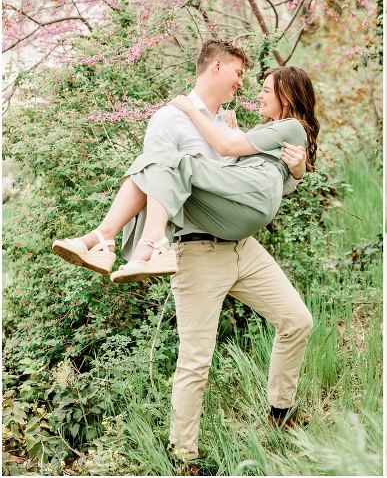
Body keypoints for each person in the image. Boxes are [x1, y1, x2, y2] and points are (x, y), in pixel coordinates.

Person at [54, 39, 315, 465]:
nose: (245, 85)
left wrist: (296, 169)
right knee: (196, 361)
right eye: (238, 74)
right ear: (217, 67)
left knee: (297, 320)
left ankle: (280, 412)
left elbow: (253, 174)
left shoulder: (230, 124)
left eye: (258, 84)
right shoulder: (170, 119)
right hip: (198, 253)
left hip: (243, 248)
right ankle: (184, 457)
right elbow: (154, 171)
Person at [53, 64, 318, 284]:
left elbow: (227, 150)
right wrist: (236, 132)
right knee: (156, 173)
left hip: (253, 198)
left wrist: (191, 108)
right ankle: (108, 241)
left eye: (266, 90)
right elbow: (247, 158)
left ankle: (134, 240)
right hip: (242, 210)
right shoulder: (273, 131)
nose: (258, 95)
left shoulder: (292, 126)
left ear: (286, 97)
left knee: (169, 161)